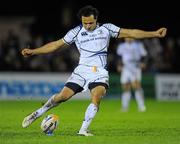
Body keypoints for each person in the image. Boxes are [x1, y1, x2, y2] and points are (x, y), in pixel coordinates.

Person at [21, 5, 167, 136]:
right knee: (62, 97)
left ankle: (83, 130)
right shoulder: (76, 32)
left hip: (99, 72)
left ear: (96, 19)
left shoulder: (107, 28)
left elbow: (131, 33)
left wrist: (154, 33)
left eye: (91, 23)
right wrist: (34, 51)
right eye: (85, 23)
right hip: (81, 71)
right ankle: (37, 113)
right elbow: (55, 45)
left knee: (97, 96)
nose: (88, 26)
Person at [116, 38, 148, 112]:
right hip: (126, 67)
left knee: (136, 86)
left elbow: (145, 55)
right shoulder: (122, 46)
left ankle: (141, 106)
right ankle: (125, 107)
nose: (128, 38)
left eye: (130, 36)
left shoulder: (138, 45)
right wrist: (119, 65)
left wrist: (143, 63)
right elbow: (118, 56)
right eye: (127, 36)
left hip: (135, 66)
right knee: (125, 87)